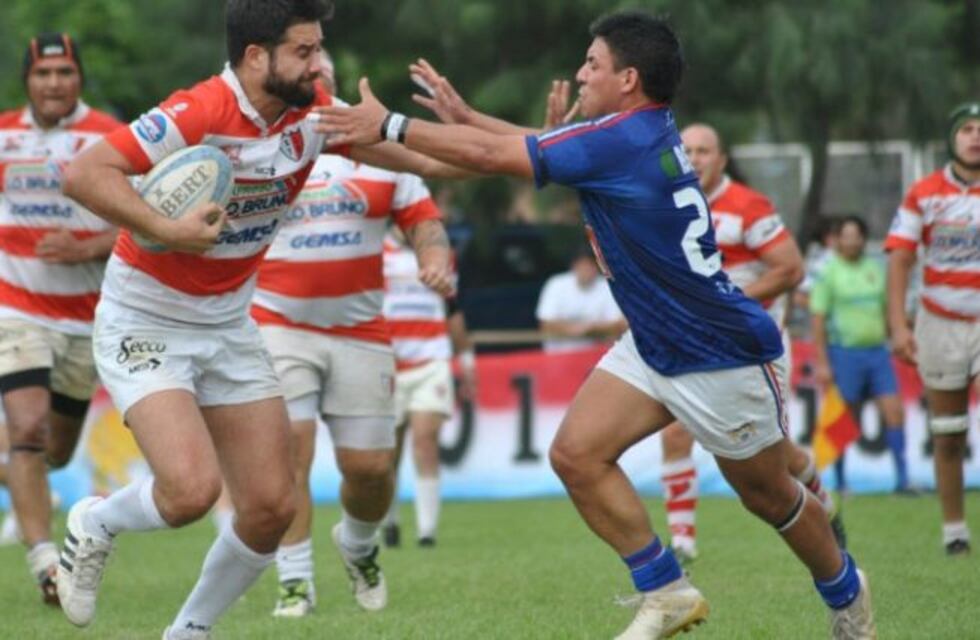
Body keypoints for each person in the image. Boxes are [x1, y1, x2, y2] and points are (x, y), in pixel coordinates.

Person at [317, 10, 875, 639]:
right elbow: (511, 145)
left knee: (767, 495)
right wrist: (467, 119)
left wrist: (391, 123)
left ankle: (847, 593)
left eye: (593, 63)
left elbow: (492, 156)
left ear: (629, 79)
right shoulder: (627, 132)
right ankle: (665, 590)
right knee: (577, 456)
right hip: (655, 340)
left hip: (716, 348)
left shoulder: (620, 141)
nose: (580, 72)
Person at [56, 2, 459, 637]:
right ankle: (96, 522)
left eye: (318, 48)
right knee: (189, 493)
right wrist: (167, 230)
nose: (319, 64)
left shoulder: (315, 112)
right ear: (255, 57)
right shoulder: (201, 110)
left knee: (272, 507)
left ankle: (189, 630)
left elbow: (433, 164)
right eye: (304, 51)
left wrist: (523, 145)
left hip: (229, 324)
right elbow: (84, 173)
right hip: (146, 318)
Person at [251, 50, 453, 618]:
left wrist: (434, 257)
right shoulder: (265, 145)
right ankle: (294, 582)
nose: (314, 85)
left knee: (369, 471)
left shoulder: (378, 148)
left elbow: (425, 222)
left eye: (322, 77)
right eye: (304, 77)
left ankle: (358, 545)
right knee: (291, 450)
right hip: (277, 324)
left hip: (360, 331)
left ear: (336, 86)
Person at [654, 123, 842, 563]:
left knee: (776, 456)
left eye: (705, 151)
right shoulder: (664, 206)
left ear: (721, 160)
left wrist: (724, 302)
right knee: (674, 431)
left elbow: (789, 270)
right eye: (688, 150)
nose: (695, 158)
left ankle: (822, 501)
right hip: (691, 343)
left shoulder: (749, 206)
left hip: (752, 348)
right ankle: (682, 542)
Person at [0, 32, 121, 604]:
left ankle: (13, 466)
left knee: (55, 450)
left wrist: (89, 246)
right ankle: (47, 565)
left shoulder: (110, 136)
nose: (54, 84)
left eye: (64, 73)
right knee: (26, 429)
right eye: (43, 74)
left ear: (79, 78)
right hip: (15, 307)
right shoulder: (3, 134)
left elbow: (149, 220)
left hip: (84, 319)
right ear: (28, 79)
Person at [886, 101, 980, 556]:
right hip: (938, 321)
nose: (975, 136)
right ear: (952, 138)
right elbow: (900, 259)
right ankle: (954, 531)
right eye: (966, 128)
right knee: (948, 432)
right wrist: (898, 325)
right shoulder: (923, 193)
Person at [380, 227, 477, 549]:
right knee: (387, 454)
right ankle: (390, 523)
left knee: (425, 442)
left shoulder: (441, 256)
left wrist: (466, 362)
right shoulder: (375, 252)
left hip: (431, 361)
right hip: (387, 365)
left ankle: (426, 533)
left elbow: (453, 309)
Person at [811, 215, 909, 493]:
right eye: (847, 235)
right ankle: (841, 482)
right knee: (845, 417)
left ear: (864, 238)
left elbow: (889, 309)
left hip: (878, 353)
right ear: (838, 239)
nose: (852, 240)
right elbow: (817, 318)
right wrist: (822, 361)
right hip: (844, 353)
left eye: (857, 235)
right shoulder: (829, 271)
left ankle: (902, 481)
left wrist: (900, 334)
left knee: (894, 411)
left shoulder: (875, 269)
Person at [536, 244, 626, 353]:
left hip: (599, 357)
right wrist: (577, 329)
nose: (586, 270)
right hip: (559, 355)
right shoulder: (556, 283)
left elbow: (620, 325)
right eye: (582, 265)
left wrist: (590, 328)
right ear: (573, 266)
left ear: (598, 267)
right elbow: (546, 323)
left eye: (590, 265)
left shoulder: (608, 287)